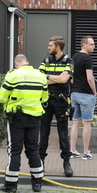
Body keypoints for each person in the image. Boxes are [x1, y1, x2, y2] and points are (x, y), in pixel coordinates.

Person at [0, 53, 49, 193]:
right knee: (33, 149)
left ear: (16, 63)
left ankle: (11, 185)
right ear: (27, 62)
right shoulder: (40, 76)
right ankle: (37, 183)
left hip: (17, 119)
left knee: (15, 150)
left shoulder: (12, 75)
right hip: (35, 118)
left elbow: (1, 98)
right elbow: (44, 98)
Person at [38, 36, 74, 177]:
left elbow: (65, 79)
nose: (48, 48)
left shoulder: (68, 61)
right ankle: (41, 162)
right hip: (46, 101)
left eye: (50, 46)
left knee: (63, 133)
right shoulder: (45, 61)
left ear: (57, 47)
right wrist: (57, 77)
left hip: (61, 101)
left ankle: (66, 163)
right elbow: (40, 79)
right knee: (43, 133)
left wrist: (48, 77)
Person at [68, 36, 97, 160]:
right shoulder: (87, 59)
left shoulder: (74, 57)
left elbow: (72, 76)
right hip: (86, 94)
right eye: (91, 44)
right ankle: (86, 152)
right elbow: (90, 78)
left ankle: (72, 150)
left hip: (75, 93)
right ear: (84, 44)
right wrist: (94, 92)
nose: (93, 46)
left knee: (75, 122)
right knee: (87, 123)